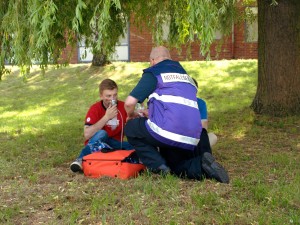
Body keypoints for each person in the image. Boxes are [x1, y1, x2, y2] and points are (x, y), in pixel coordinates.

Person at [124, 46, 229, 183]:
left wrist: (131, 115)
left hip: (168, 132)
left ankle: (158, 166)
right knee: (177, 167)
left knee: (131, 127)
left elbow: (129, 103)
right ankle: (202, 164)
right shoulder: (186, 77)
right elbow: (175, 108)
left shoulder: (154, 72)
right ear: (170, 59)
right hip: (192, 136)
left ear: (152, 60)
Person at [70, 79, 133, 172]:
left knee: (135, 146)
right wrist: (106, 117)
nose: (113, 99)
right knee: (102, 133)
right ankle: (80, 159)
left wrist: (133, 120)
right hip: (98, 143)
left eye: (115, 95)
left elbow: (130, 128)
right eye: (108, 96)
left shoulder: (123, 107)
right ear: (101, 96)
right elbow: (87, 134)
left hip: (115, 145)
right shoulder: (95, 109)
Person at [192, 78, 218, 147]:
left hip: (196, 138)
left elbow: (203, 127)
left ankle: (202, 153)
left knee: (213, 137)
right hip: (181, 139)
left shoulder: (200, 103)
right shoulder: (177, 103)